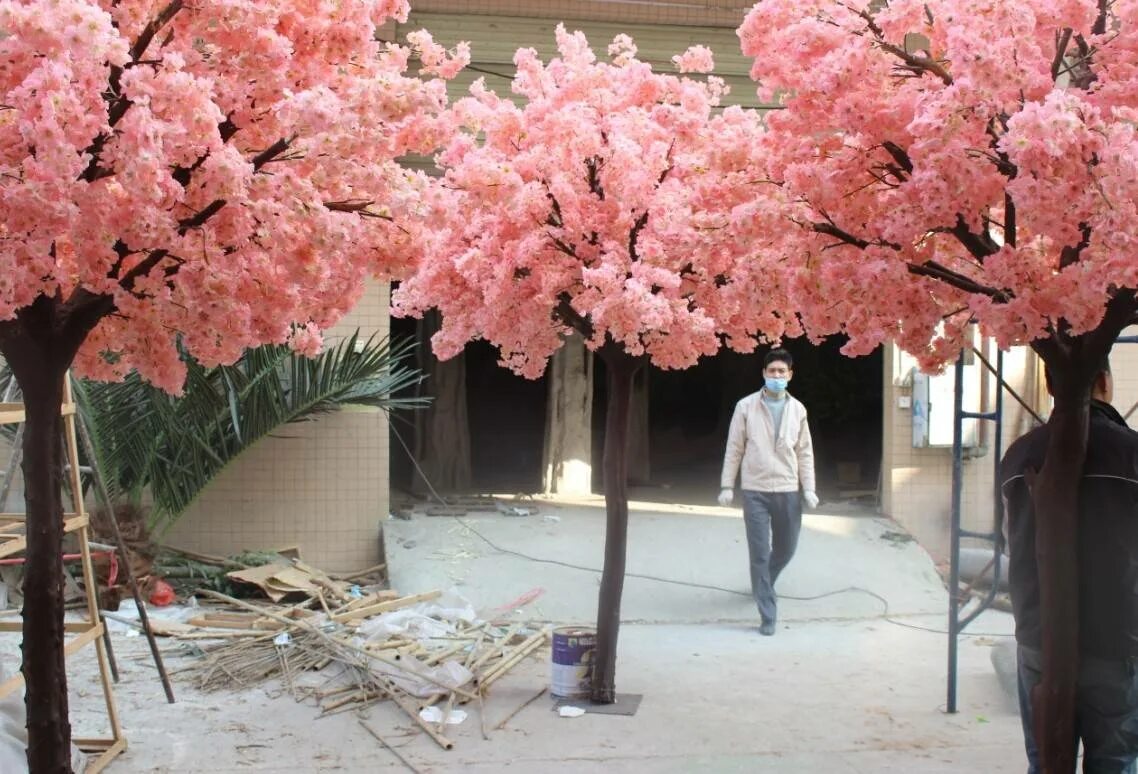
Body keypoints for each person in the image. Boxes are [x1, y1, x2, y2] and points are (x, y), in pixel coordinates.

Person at [1002, 356, 1138, 773]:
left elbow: (1014, 540)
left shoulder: (1020, 453)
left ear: (1049, 384)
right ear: (1104, 382)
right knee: (1115, 762)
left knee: (1045, 760)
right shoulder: (1132, 453)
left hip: (1037, 632)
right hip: (1118, 637)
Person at [719, 348, 818, 636]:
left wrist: (809, 488)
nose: (776, 376)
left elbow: (805, 453)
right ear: (763, 374)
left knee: (787, 548)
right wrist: (727, 485)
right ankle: (768, 612)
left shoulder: (798, 409)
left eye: (781, 372)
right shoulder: (746, 407)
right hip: (755, 491)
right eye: (772, 371)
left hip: (788, 489)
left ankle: (763, 581)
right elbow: (734, 447)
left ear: (790, 375)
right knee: (759, 553)